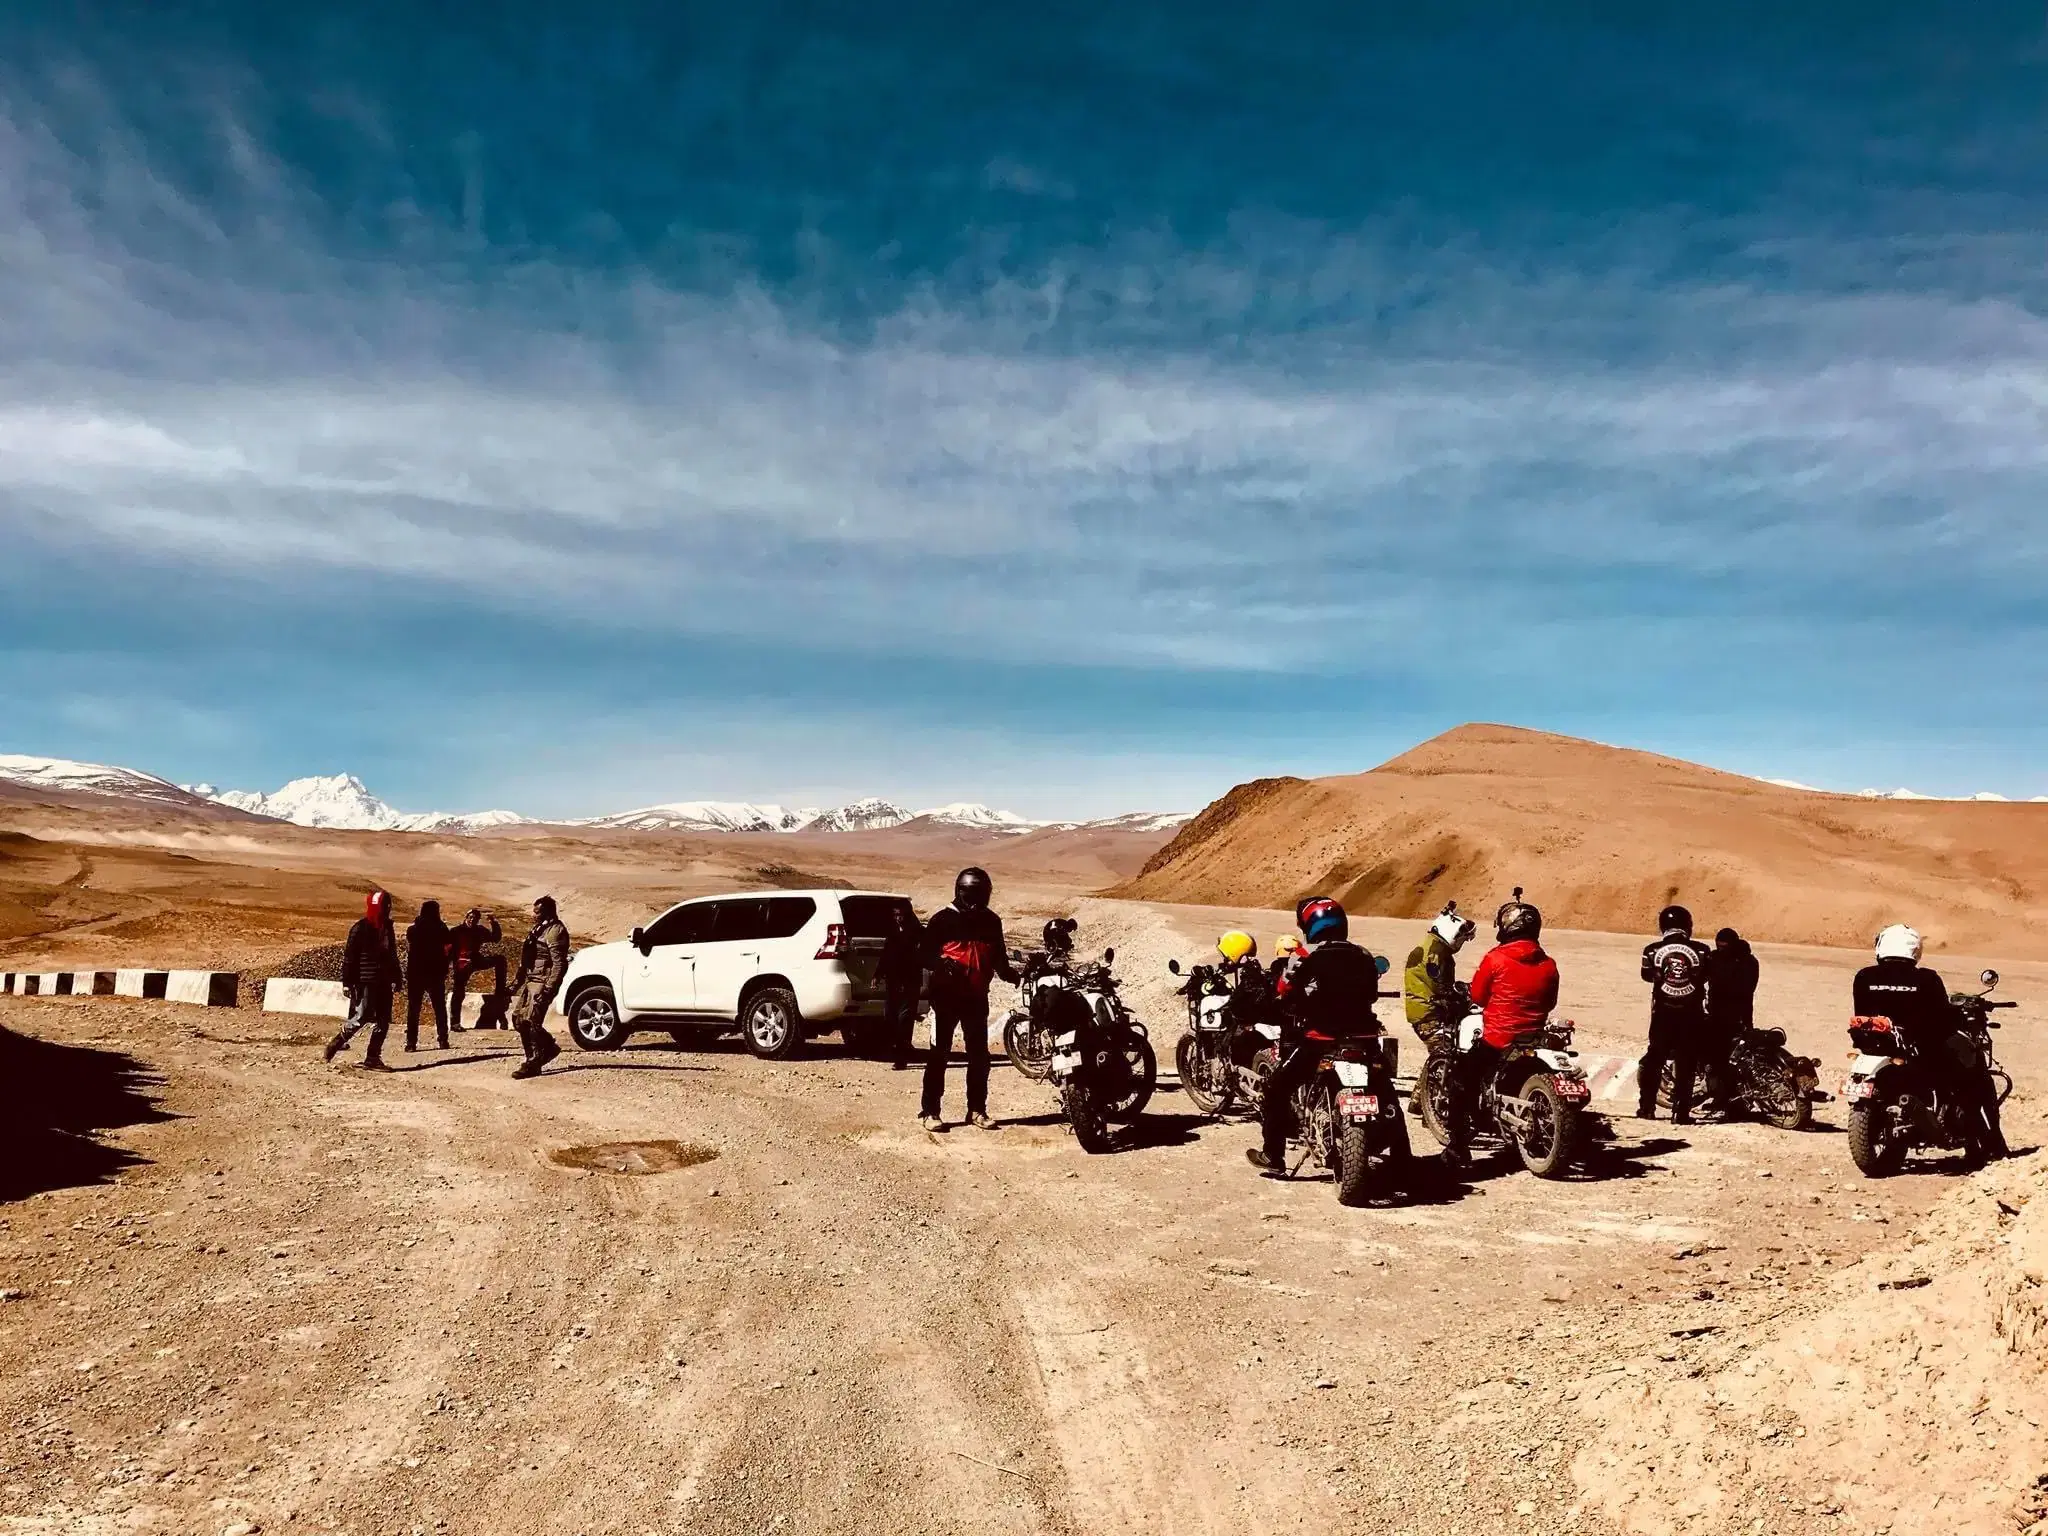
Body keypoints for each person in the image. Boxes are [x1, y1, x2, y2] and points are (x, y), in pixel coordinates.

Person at [1246, 897, 1385, 1173]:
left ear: (1310, 925)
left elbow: (1284, 989)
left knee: (1276, 1088)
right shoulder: (1364, 954)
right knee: (1385, 1091)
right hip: (1364, 1038)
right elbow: (1372, 994)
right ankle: (1401, 1154)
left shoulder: (1304, 956)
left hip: (1321, 1038)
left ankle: (1274, 1156)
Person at [1853, 924, 2008, 1161]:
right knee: (1974, 1071)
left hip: (1876, 1047)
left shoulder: (1864, 977)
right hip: (1922, 1050)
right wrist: (1960, 1015)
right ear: (1915, 949)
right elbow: (1943, 1018)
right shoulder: (1926, 979)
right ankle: (1991, 1139)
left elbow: (1862, 1013)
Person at [1443, 890, 1560, 1169]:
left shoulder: (1495, 959)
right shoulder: (1549, 964)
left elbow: (1479, 997)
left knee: (1461, 1081)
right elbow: (1551, 1001)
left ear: (1507, 928)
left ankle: (1458, 1147)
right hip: (1535, 1037)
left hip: (1500, 1040)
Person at [918, 867, 1018, 1131]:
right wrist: (940, 963)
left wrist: (1014, 975)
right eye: (974, 894)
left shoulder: (991, 921)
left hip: (976, 998)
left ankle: (976, 1110)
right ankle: (930, 1110)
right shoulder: (942, 920)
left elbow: (999, 958)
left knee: (979, 1057)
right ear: (961, 892)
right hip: (945, 998)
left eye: (983, 894)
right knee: (939, 1054)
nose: (979, 900)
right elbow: (923, 954)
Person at [1639, 904, 1713, 1124]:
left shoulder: (1651, 950)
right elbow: (1707, 975)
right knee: (1687, 1060)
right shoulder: (1702, 950)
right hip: (1691, 1014)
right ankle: (1680, 1113)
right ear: (1687, 926)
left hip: (1663, 1013)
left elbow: (1645, 975)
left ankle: (1647, 1108)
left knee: (1654, 1058)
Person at [324, 890, 405, 1070]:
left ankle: (373, 1058)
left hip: (384, 981)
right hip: (365, 980)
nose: (387, 909)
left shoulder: (387, 928)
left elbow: (392, 955)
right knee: (362, 1016)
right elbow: (349, 958)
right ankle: (337, 1041)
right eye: (384, 906)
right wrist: (347, 982)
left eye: (388, 905)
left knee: (384, 1020)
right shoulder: (360, 928)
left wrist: (397, 977)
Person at [508, 895, 570, 1080]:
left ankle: (534, 1062)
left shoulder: (555, 931)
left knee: (532, 1022)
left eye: (537, 912)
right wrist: (516, 983)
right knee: (519, 1019)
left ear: (547, 912)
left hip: (543, 982)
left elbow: (559, 964)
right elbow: (527, 958)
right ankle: (548, 1048)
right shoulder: (539, 929)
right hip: (531, 979)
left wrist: (549, 988)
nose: (533, 915)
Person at [1404, 901, 1476, 1058]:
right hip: (1430, 1015)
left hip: (1423, 1011)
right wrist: (1462, 996)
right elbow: (1441, 987)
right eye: (1462, 939)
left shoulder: (1431, 947)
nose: (1460, 944)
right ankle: (1436, 1081)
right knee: (1447, 1055)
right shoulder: (1435, 953)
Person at [1701, 927, 1760, 1112]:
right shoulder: (1746, 961)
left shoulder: (1743, 962)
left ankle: (1726, 1099)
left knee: (1721, 1059)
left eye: (1724, 946)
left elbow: (1743, 991)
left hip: (1730, 1017)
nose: (1721, 949)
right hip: (1731, 1015)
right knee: (1729, 1059)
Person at [876, 904, 926, 1071]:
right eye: (895, 914)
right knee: (891, 1018)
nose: (898, 918)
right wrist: (877, 974)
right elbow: (886, 953)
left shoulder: (916, 931)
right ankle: (896, 1052)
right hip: (894, 981)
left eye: (901, 915)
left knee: (904, 1019)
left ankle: (901, 1058)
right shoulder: (893, 931)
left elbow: (926, 952)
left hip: (910, 981)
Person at [447, 907, 508, 1031]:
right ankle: (455, 1023)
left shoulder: (479, 930)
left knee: (500, 960)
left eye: (475, 919)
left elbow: (495, 938)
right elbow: (448, 949)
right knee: (459, 992)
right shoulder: (456, 931)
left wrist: (493, 923)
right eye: (470, 918)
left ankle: (500, 990)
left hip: (476, 960)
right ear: (466, 918)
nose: (472, 920)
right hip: (461, 964)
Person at [403, 900, 452, 1052]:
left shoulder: (413, 930)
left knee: (413, 1009)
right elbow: (448, 949)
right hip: (435, 973)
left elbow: (409, 949)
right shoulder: (442, 929)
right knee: (439, 1008)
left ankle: (411, 1043)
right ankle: (443, 1040)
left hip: (416, 973)